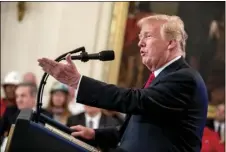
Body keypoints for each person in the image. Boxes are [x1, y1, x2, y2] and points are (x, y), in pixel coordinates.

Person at [38, 14, 208, 152]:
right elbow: (136, 130)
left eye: (147, 36)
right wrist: (95, 135)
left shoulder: (184, 78)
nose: (140, 43)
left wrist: (77, 81)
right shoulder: (160, 78)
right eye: (140, 37)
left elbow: (135, 100)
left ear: (171, 42)